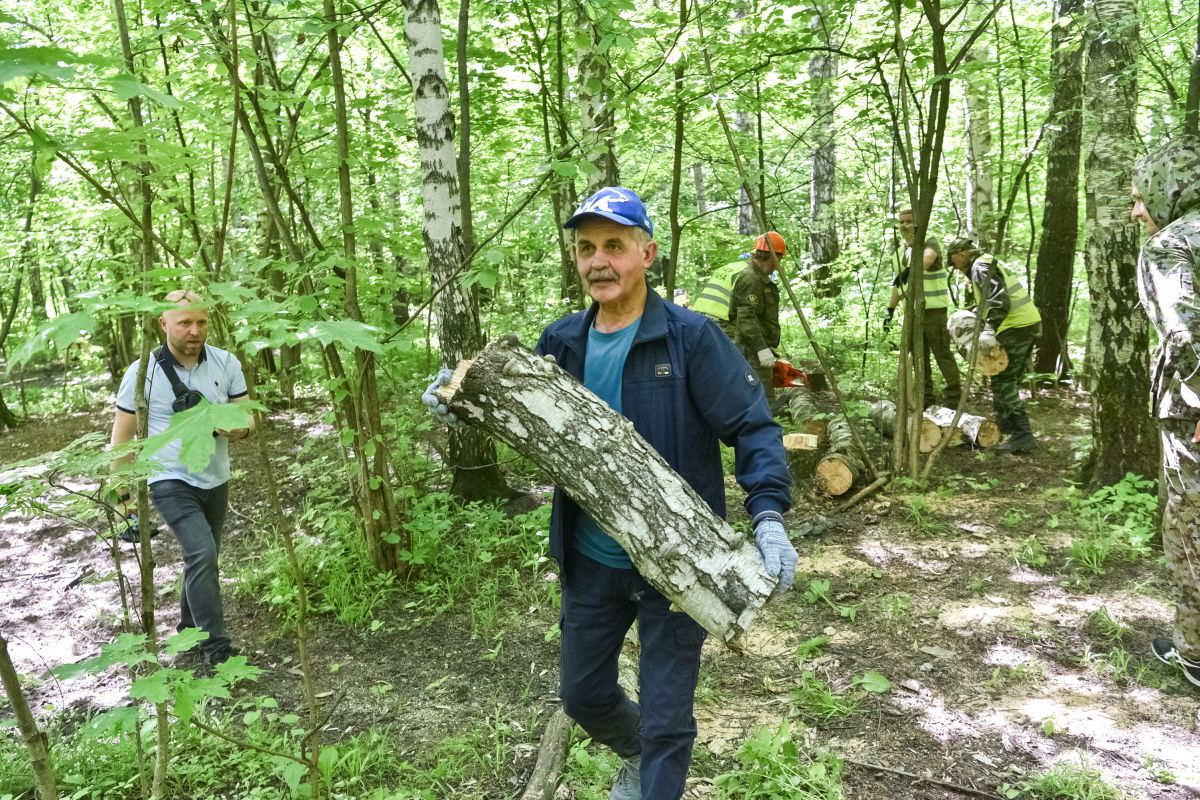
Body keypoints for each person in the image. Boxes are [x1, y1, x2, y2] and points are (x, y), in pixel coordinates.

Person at [424, 187, 795, 800]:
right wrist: (465, 404)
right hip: (592, 558)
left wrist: (769, 514)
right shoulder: (561, 343)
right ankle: (637, 752)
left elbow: (752, 427)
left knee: (669, 719)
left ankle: (654, 774)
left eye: (615, 246)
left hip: (680, 566)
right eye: (587, 248)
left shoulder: (691, 339)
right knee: (583, 695)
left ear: (647, 254)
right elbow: (527, 415)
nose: (599, 261)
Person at [110, 290, 253, 667]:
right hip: (169, 479)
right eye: (185, 323)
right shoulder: (143, 373)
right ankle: (217, 652)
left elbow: (248, 417)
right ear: (164, 324)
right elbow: (121, 439)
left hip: (216, 476)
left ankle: (188, 632)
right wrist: (122, 499)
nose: (194, 330)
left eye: (201, 322)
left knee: (203, 559)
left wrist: (236, 429)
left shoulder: (225, 363)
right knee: (203, 553)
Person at [1131, 137, 1200, 688]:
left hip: (1192, 415)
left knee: (1190, 525)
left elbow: (1183, 330)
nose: (1136, 211)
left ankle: (1195, 652)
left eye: (1140, 196)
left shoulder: (1170, 244)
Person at [946, 238, 1041, 453]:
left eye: (954, 263)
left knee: (1003, 382)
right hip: (1026, 323)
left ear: (961, 254)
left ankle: (1023, 436)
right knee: (1006, 378)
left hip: (1015, 326)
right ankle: (1006, 427)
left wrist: (987, 332)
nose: (956, 268)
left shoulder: (980, 267)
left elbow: (1000, 303)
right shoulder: (987, 262)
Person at [885, 208, 961, 408]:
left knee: (941, 352)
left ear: (919, 223)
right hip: (911, 313)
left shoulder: (929, 242)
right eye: (902, 222)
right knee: (919, 356)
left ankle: (954, 396)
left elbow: (926, 261)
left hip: (933, 311)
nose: (904, 225)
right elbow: (898, 284)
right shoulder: (901, 251)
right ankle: (926, 397)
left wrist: (908, 271)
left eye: (909, 221)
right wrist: (890, 310)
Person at [729, 231, 786, 400]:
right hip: (751, 349)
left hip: (756, 346)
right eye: (778, 260)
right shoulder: (752, 280)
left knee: (760, 394)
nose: (778, 265)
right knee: (760, 397)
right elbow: (746, 317)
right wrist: (761, 349)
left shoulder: (760, 278)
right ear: (768, 257)